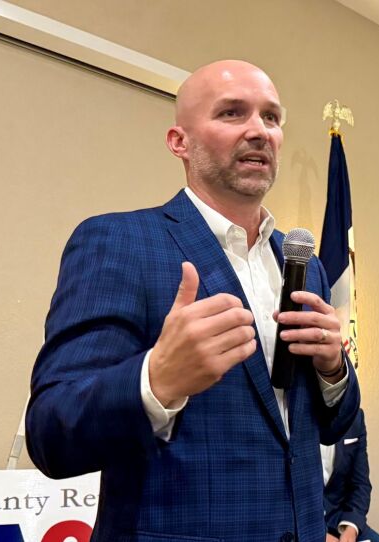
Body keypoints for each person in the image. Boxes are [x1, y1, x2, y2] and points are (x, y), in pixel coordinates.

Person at [26, 59, 360, 542]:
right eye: (231, 113)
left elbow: (331, 429)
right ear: (179, 141)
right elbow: (51, 436)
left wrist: (333, 371)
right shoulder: (118, 242)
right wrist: (155, 380)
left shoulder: (305, 263)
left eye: (271, 117)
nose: (259, 131)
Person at [322, 408, 379, 542]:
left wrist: (351, 528)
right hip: (304, 527)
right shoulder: (293, 414)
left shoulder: (355, 417)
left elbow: (361, 484)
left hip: (341, 520)